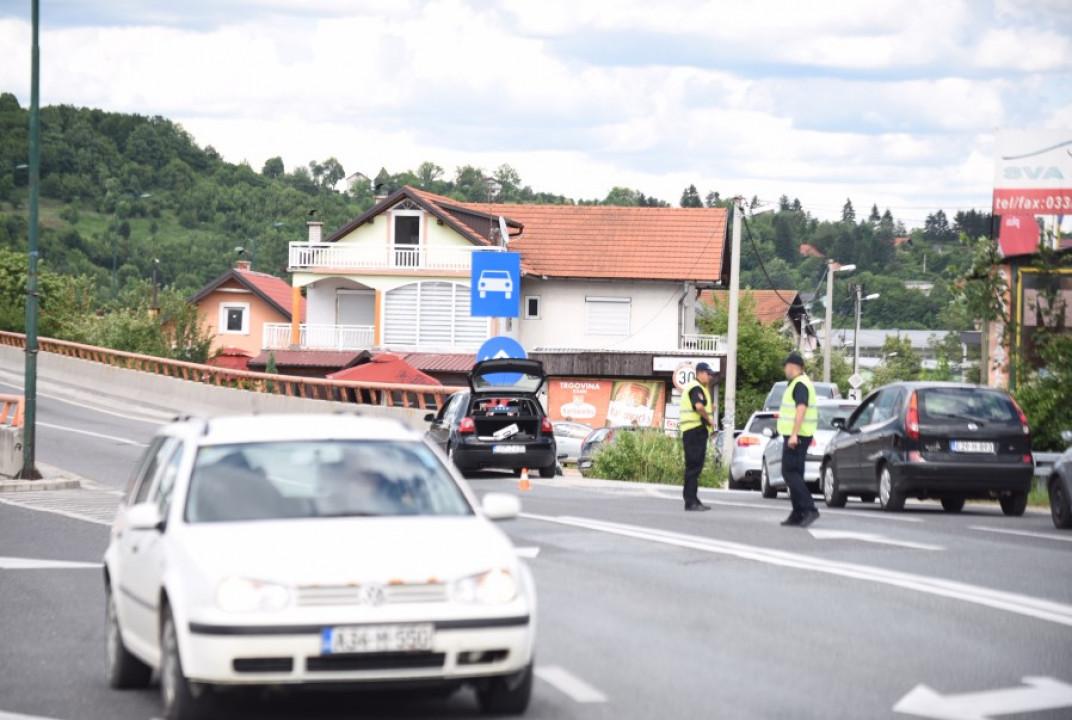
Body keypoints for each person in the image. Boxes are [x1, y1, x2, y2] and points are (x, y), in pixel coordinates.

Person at [778, 352, 820, 527]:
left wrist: (794, 434)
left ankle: (809, 509)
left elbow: (801, 409)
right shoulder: (799, 383)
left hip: (798, 436)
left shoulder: (800, 384)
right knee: (797, 474)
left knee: (789, 472)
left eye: (786, 366)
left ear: (792, 366)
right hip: (800, 435)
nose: (785, 369)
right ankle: (798, 513)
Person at [679, 362, 716, 512]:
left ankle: (693, 499)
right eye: (708, 373)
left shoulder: (701, 388)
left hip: (695, 431)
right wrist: (709, 419)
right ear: (700, 373)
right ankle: (690, 501)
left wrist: (710, 409)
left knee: (695, 466)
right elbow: (699, 407)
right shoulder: (695, 387)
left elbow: (702, 405)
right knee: (694, 466)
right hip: (694, 430)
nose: (710, 376)